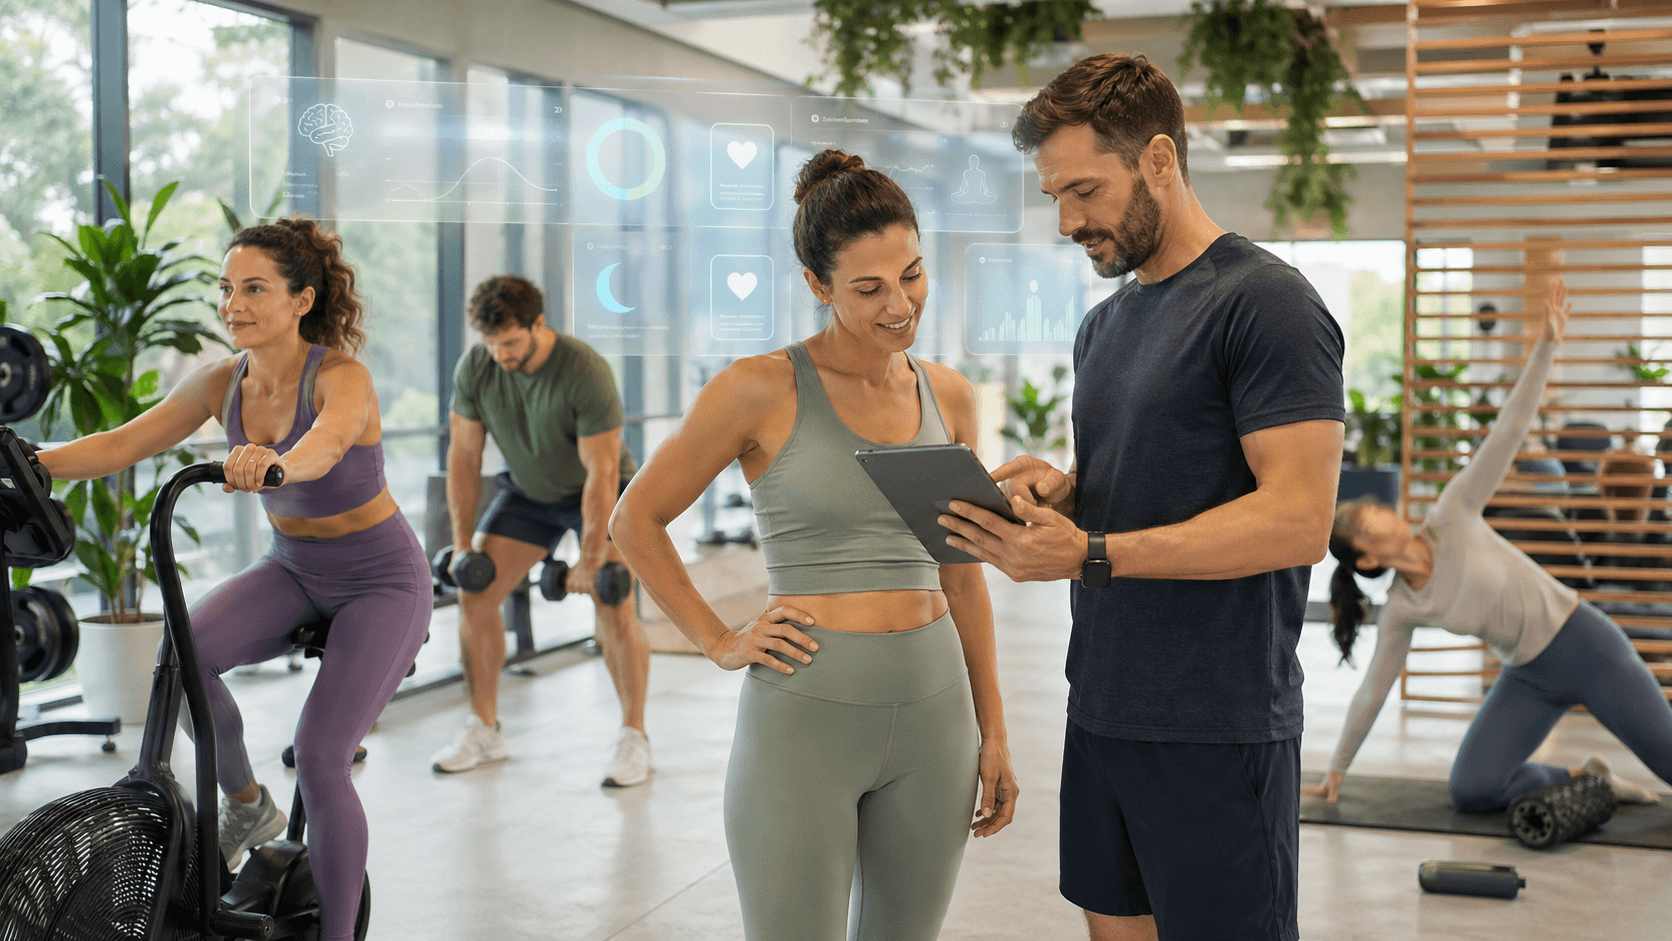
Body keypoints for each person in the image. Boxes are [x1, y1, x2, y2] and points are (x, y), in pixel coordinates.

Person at [937, 54, 1345, 941]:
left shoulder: (1266, 304)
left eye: (1083, 189)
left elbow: (1298, 519)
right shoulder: (1105, 325)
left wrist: (1090, 552)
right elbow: (1161, 476)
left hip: (1218, 723)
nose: (1066, 220)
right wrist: (1072, 493)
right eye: (1054, 195)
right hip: (1103, 706)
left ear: (1159, 159)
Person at [611, 149, 1018, 941]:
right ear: (817, 285)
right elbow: (635, 519)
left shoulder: (952, 397)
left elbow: (963, 580)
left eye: (912, 274)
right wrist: (719, 639)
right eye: (868, 287)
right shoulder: (759, 388)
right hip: (804, 721)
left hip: (937, 719)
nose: (899, 303)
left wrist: (994, 731)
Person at [38, 218, 429, 941]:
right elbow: (124, 441)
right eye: (226, 288)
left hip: (383, 579)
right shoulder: (224, 380)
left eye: (255, 288)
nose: (234, 303)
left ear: (301, 298)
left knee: (320, 754)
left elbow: (327, 442)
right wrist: (35, 462)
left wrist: (275, 462)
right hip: (294, 567)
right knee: (181, 658)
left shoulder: (341, 376)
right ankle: (247, 802)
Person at [1313, 276, 1672, 811]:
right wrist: (1337, 767)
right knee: (1473, 790)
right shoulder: (1404, 609)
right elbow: (1372, 691)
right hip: (1528, 678)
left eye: (1378, 509)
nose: (1387, 516)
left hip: (1586, 646)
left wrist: (1547, 346)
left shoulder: (1452, 513)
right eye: (1371, 524)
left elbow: (1507, 432)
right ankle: (1591, 778)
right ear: (1367, 557)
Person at [431, 274, 652, 786]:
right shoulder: (478, 367)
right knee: (476, 592)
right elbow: (463, 457)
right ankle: (485, 728)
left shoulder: (583, 370)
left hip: (601, 492)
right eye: (490, 343)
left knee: (613, 602)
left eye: (510, 341)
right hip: (529, 492)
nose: (500, 354)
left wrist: (591, 560)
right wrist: (464, 549)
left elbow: (601, 473)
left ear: (538, 324)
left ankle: (634, 736)